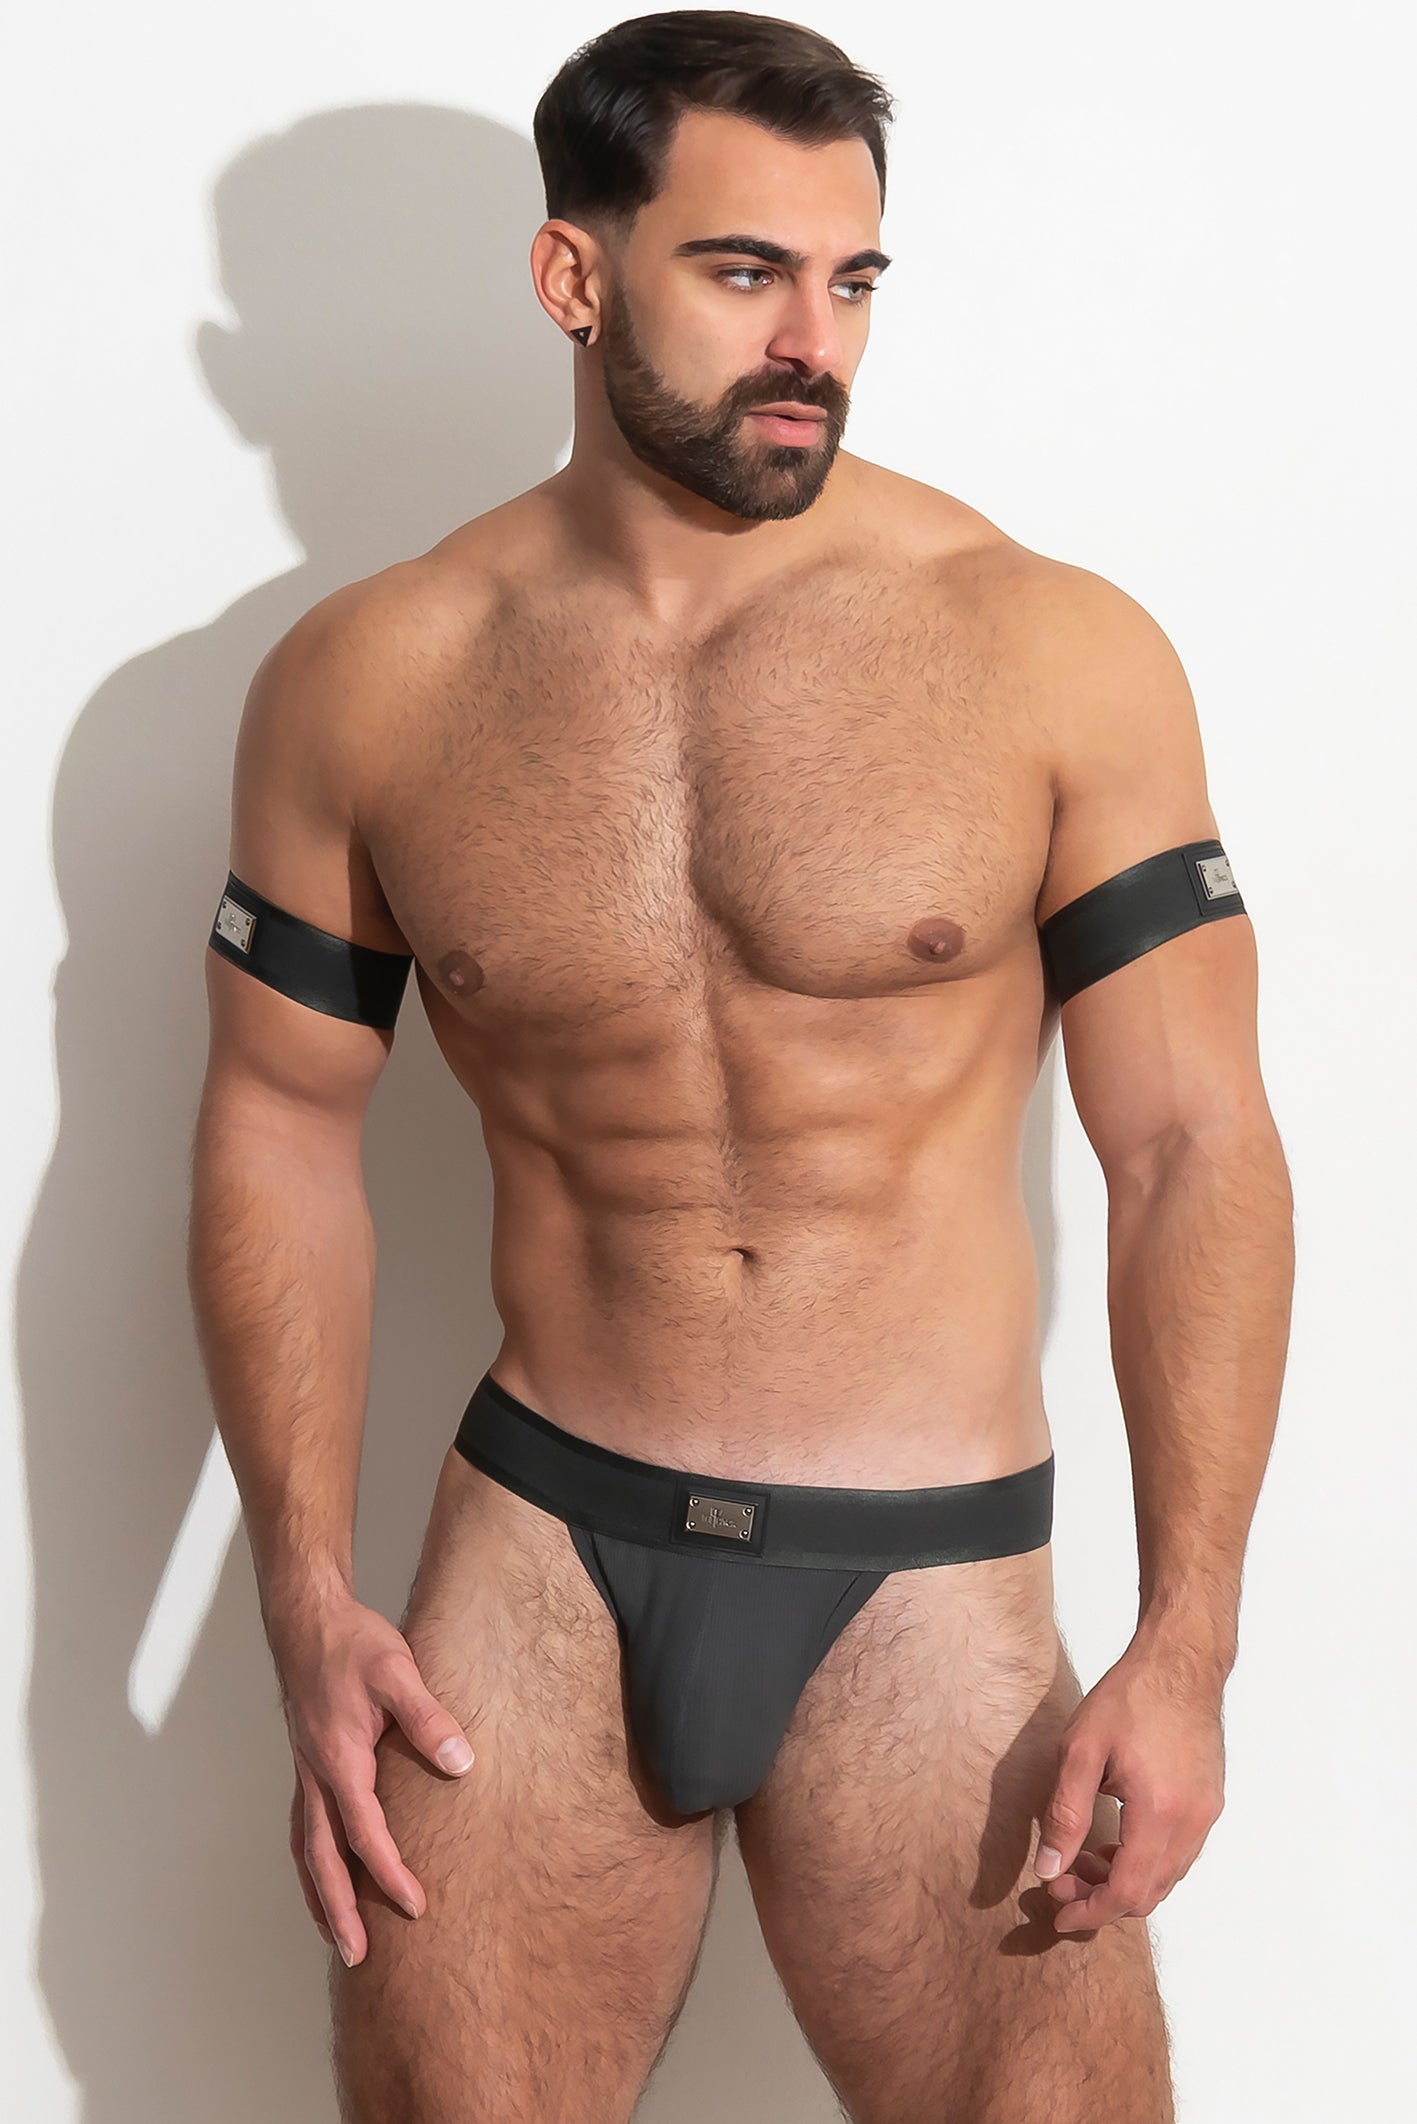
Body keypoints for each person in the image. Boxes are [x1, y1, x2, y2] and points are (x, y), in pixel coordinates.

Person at [187, 12, 1294, 2121]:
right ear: (572, 274)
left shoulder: (1046, 647)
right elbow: (278, 1130)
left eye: (851, 280)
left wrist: (1188, 1642)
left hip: (930, 1579)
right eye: (743, 272)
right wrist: (302, 1597)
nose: (813, 342)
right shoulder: (370, 680)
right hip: (541, 1551)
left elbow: (1189, 1147)